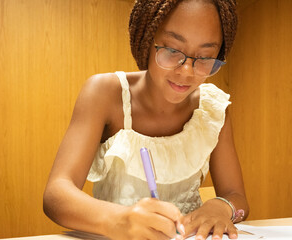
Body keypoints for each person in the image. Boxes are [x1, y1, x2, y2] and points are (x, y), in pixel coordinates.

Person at [43, 0, 249, 239]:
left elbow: (239, 200)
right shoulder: (105, 93)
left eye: (205, 57)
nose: (186, 71)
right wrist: (119, 220)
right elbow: (56, 195)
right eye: (172, 50)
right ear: (146, 41)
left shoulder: (212, 109)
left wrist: (222, 207)